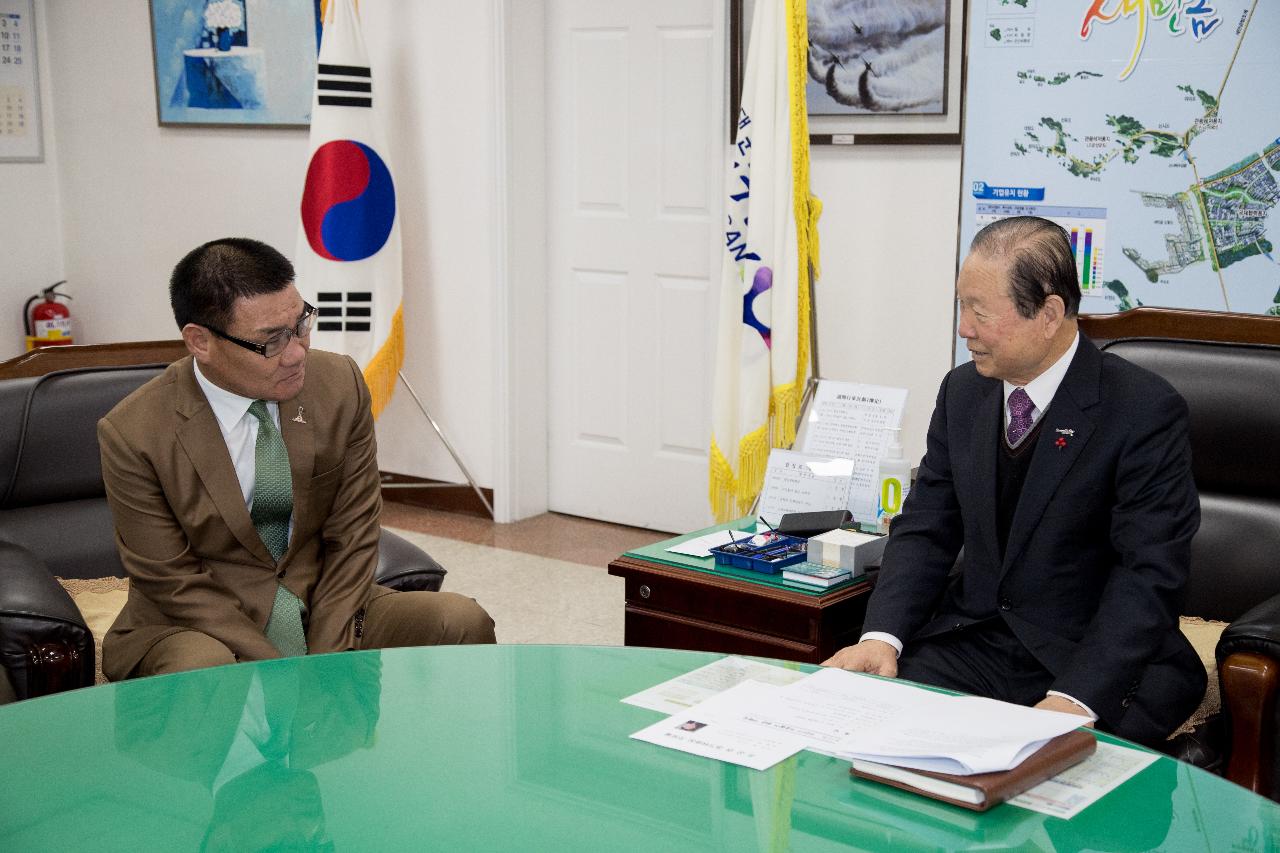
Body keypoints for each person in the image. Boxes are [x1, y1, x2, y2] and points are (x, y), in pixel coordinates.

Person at [823, 216, 1205, 746]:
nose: (963, 329)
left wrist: (1074, 700)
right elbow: (927, 525)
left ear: (1048, 314)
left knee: (1056, 789)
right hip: (977, 641)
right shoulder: (963, 393)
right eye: (961, 306)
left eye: (979, 312)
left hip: (1093, 657)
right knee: (870, 738)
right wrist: (881, 635)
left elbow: (1148, 573)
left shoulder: (1143, 410)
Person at [99, 238, 494, 681]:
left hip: (322, 599)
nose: (297, 352)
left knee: (459, 620)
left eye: (302, 324)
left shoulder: (339, 383)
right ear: (201, 342)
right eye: (271, 342)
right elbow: (171, 579)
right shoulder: (134, 432)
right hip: (198, 621)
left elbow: (354, 532)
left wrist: (326, 657)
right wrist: (286, 673)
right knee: (203, 669)